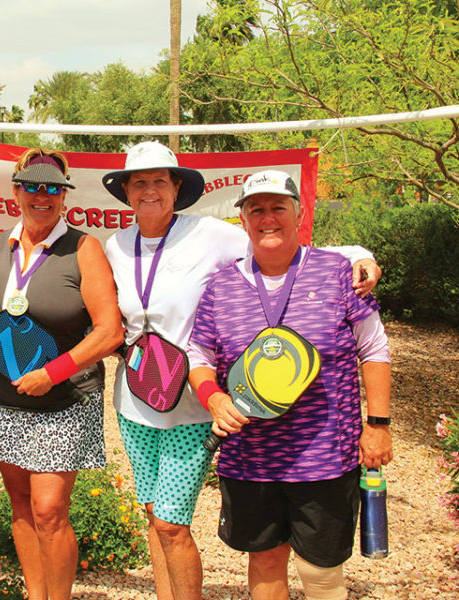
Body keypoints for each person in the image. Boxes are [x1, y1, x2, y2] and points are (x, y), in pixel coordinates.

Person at [102, 143, 382, 600]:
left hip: (196, 405)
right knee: (155, 514)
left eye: (159, 181)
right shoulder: (115, 245)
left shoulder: (211, 234)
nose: (149, 190)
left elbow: (280, 241)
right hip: (136, 400)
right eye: (139, 182)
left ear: (177, 188)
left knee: (172, 521)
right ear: (126, 193)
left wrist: (360, 253)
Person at [187, 169, 392, 600]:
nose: (268, 218)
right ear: (242, 220)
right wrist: (214, 396)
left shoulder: (338, 273)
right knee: (263, 560)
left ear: (298, 214)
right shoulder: (221, 287)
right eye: (255, 209)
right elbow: (198, 356)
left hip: (325, 455)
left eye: (278, 207)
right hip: (251, 459)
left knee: (320, 570)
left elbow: (374, 349)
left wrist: (377, 423)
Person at [0, 148, 124, 600]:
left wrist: (53, 372)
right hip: (8, 399)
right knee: (20, 507)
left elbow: (110, 332)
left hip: (64, 400)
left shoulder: (84, 248)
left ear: (64, 196)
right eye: (33, 186)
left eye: (53, 189)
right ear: (16, 191)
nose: (42, 196)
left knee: (49, 511)